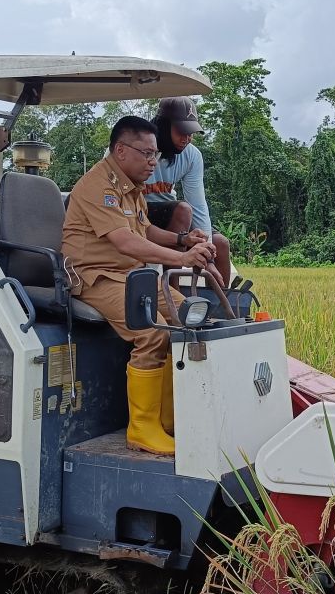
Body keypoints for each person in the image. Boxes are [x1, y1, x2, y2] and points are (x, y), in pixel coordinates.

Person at [62, 116, 215, 456]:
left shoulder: (131, 187)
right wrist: (183, 257)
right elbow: (126, 243)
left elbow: (143, 231)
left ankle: (168, 421)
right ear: (120, 149)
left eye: (155, 155)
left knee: (186, 319)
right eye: (146, 154)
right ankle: (142, 429)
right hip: (93, 276)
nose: (152, 162)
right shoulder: (96, 186)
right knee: (152, 332)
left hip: (130, 275)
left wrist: (182, 237)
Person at [143, 97, 233, 285]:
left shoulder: (192, 155)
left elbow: (198, 205)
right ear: (163, 126)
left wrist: (207, 255)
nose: (187, 138)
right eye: (181, 131)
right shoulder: (139, 148)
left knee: (221, 245)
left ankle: (220, 305)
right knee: (182, 210)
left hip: (170, 212)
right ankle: (173, 293)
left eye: (191, 132)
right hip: (139, 212)